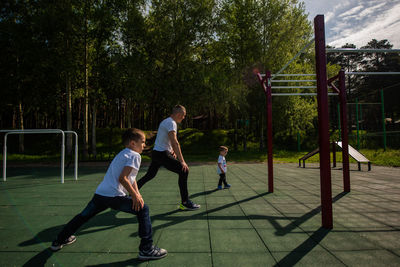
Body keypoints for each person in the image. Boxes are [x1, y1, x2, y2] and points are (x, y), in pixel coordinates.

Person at [50, 128, 167, 261]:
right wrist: (134, 196)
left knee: (83, 216)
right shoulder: (135, 156)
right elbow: (123, 178)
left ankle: (59, 240)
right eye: (143, 142)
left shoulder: (123, 153)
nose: (144, 145)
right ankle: (147, 249)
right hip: (114, 196)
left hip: (101, 194)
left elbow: (130, 178)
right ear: (133, 143)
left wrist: (137, 194)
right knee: (143, 209)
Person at [137, 105, 200, 211]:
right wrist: (182, 161)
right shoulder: (171, 123)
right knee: (183, 170)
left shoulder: (167, 121)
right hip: (162, 154)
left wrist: (171, 150)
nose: (183, 118)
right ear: (179, 114)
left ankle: (131, 193)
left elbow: (167, 139)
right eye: (183, 116)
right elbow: (175, 142)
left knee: (150, 175)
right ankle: (185, 202)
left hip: (157, 153)